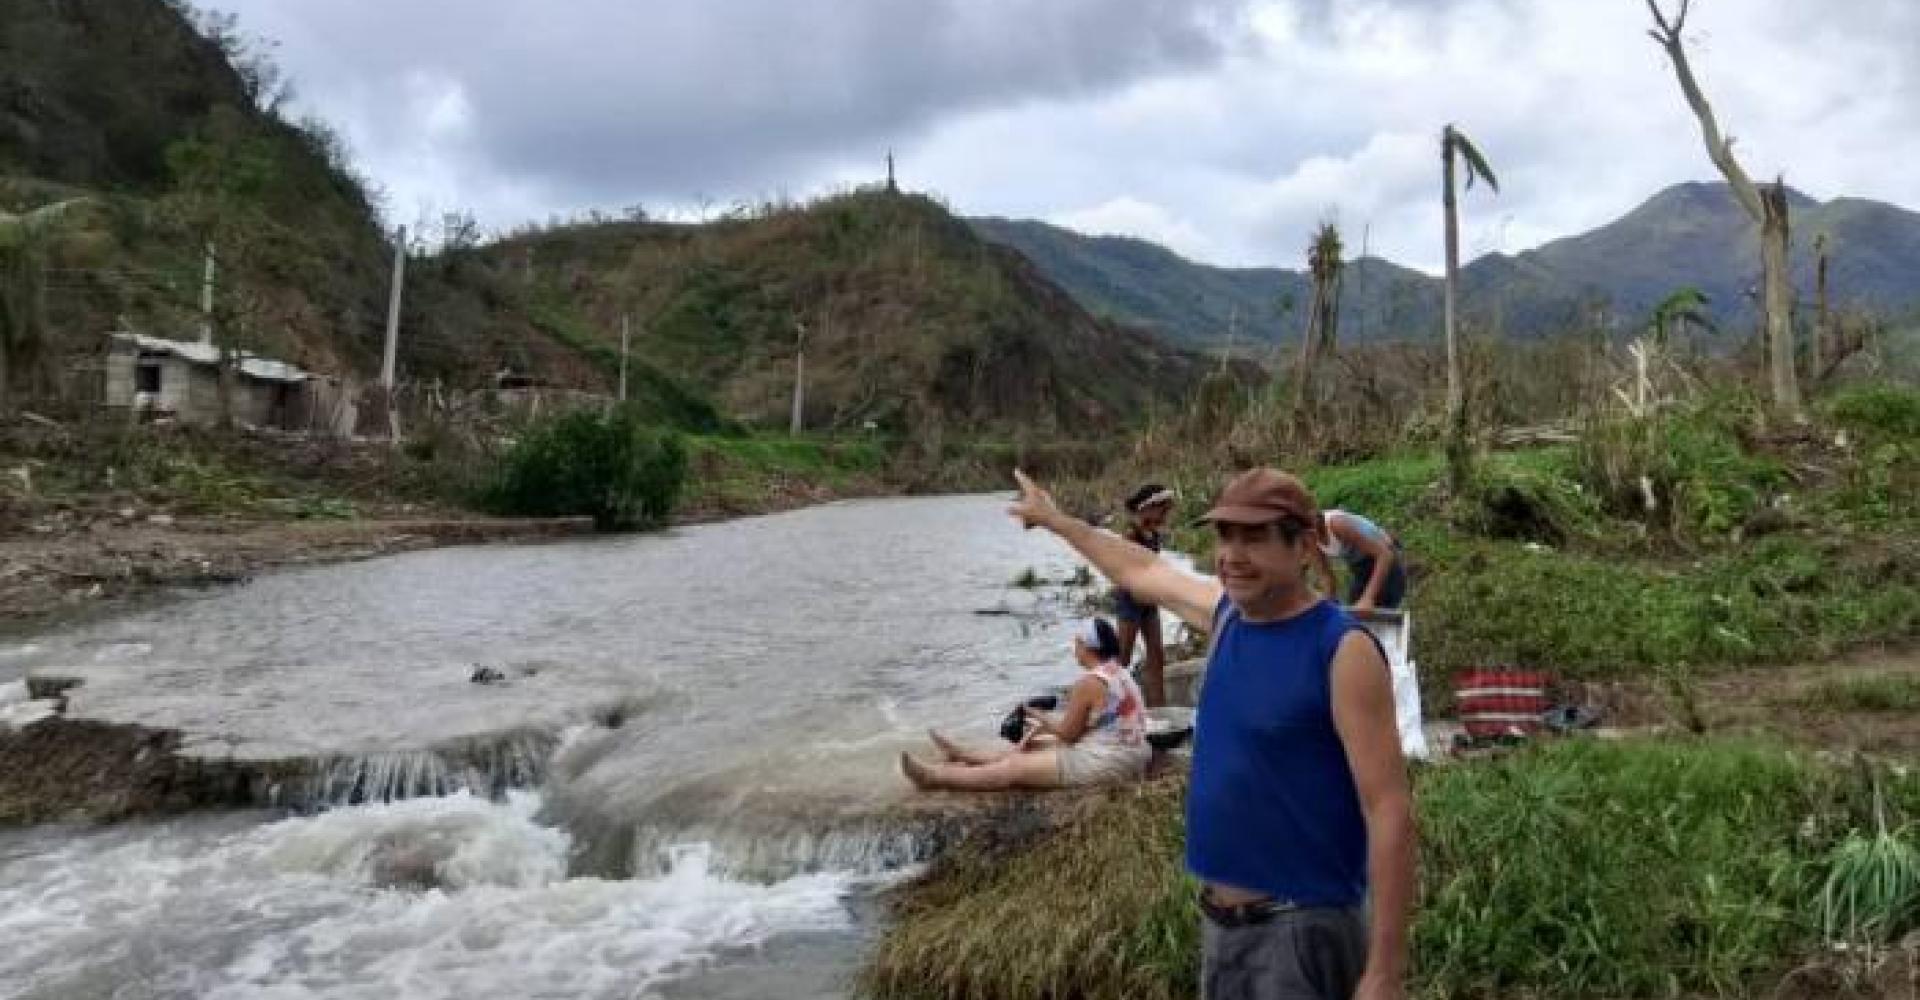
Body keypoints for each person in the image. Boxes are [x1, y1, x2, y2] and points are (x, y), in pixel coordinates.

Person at [1008, 467, 1414, 1000]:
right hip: (1222, 927)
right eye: (1225, 535)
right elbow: (1141, 569)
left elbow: (1388, 809)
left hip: (1302, 929)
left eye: (1255, 537)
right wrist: (1058, 521)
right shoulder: (1225, 616)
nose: (1233, 554)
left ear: (1304, 547)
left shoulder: (1342, 649)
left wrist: (1384, 973)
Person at [900, 617, 1150, 791]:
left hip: (1109, 762)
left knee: (1015, 767)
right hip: (1133, 753)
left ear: (1087, 646)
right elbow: (1098, 723)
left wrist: (1039, 717)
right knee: (1036, 744)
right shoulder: (1119, 671)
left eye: (1077, 643)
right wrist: (1043, 728)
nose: (1074, 648)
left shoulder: (1089, 682)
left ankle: (934, 777)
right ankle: (962, 754)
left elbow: (1069, 735)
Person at [1114, 483, 1176, 706]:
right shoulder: (1132, 534)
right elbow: (1123, 570)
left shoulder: (1152, 533)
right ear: (1147, 508)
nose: (1165, 514)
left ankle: (1158, 710)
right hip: (1131, 600)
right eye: (1162, 509)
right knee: (1123, 658)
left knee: (1157, 657)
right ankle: (1110, 705)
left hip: (1148, 599)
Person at [1312, 508, 1407, 616]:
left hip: (1386, 565)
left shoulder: (1337, 524)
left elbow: (1385, 555)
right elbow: (1326, 577)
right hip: (1361, 570)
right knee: (1354, 614)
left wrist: (1368, 598)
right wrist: (1327, 604)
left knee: (1380, 615)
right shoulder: (1309, 539)